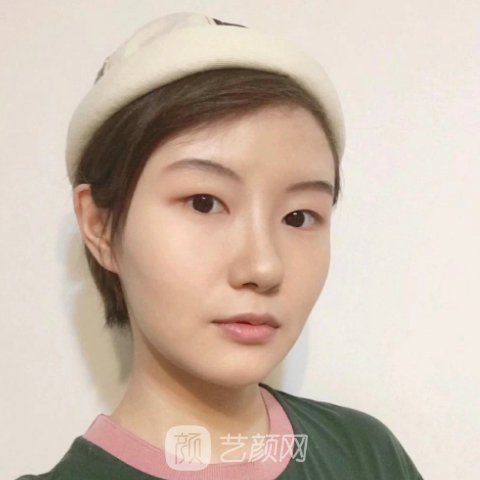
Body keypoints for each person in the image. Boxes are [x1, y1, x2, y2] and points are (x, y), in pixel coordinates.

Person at [16, 11, 424, 480]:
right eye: (204, 203)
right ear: (101, 226)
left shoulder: (365, 455)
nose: (264, 267)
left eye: (298, 216)